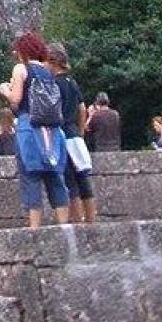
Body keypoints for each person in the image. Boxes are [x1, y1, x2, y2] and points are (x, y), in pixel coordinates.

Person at [0, 30, 69, 228]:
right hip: (52, 129)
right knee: (55, 175)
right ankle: (64, 227)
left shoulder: (21, 69)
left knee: (31, 176)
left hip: (29, 126)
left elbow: (16, 99)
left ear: (23, 51)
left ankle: (35, 229)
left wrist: (4, 89)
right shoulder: (49, 70)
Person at [47, 44, 95, 224]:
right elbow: (82, 108)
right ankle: (90, 218)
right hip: (74, 133)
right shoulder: (72, 82)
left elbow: (52, 110)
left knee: (69, 179)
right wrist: (80, 130)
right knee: (82, 176)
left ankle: (77, 219)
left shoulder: (54, 84)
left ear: (53, 63)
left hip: (61, 133)